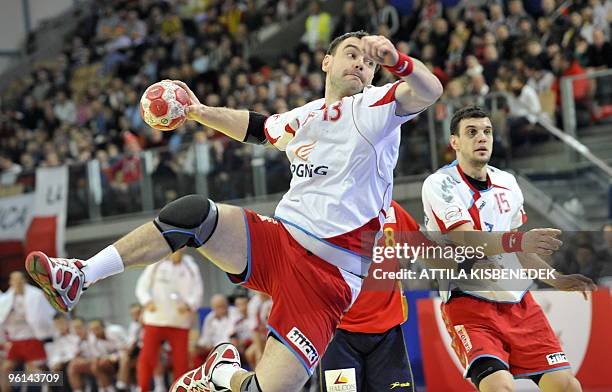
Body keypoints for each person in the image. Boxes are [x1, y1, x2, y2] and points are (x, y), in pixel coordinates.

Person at [26, 30, 446, 392]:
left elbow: (430, 91)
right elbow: (257, 128)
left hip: (328, 281)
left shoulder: (378, 108)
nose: (360, 64)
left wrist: (397, 62)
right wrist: (198, 111)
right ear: (327, 62)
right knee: (192, 214)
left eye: (367, 61)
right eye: (351, 54)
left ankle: (222, 372)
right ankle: (79, 275)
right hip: (279, 243)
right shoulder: (304, 116)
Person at [421, 106, 596, 392]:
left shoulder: (508, 182)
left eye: (487, 132)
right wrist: (518, 241)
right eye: (472, 132)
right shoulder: (440, 183)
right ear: (454, 142)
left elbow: (520, 249)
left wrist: (557, 278)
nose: (482, 138)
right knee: (499, 387)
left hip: (519, 302)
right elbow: (466, 238)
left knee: (568, 386)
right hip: (469, 302)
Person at [319, 200, 418, 391]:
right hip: (338, 334)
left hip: (387, 333)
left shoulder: (391, 208)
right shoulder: (326, 210)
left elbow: (414, 245)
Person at [135, 250, 204, 392]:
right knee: (147, 357)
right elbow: (141, 286)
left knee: (181, 361)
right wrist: (147, 301)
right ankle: (142, 388)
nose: (178, 249)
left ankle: (179, 390)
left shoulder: (191, 266)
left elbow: (198, 291)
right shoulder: (156, 263)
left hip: (180, 322)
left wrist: (189, 304)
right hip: (155, 319)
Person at [0, 271, 55, 391]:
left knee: (39, 368)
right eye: (14, 280)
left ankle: (49, 387)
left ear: (24, 280)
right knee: (5, 369)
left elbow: (46, 315)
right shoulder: (5, 299)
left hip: (32, 337)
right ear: (10, 282)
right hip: (15, 340)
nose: (17, 282)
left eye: (19, 279)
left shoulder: (36, 295)